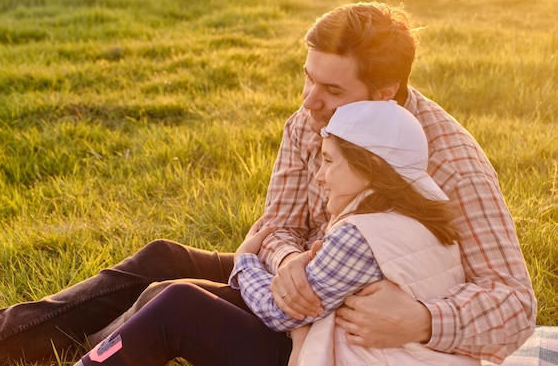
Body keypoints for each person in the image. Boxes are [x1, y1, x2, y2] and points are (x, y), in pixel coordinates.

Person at [0, 1, 536, 366]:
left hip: (348, 317)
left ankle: (98, 346)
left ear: (385, 95)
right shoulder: (311, 122)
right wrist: (289, 257)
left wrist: (422, 319)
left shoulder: (453, 160)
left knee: (175, 296)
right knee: (163, 258)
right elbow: (275, 223)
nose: (309, 103)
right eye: (308, 80)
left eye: (331, 90)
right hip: (306, 280)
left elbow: (515, 303)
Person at [71, 100, 482, 366]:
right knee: (176, 291)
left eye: (329, 162)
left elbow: (279, 312)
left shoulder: (362, 235)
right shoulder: (422, 216)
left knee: (180, 306)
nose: (320, 177)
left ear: (368, 169)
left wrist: (245, 258)